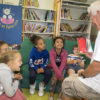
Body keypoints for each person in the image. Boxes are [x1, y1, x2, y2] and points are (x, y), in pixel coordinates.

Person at [62, 1, 100, 100]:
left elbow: (97, 66)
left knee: (67, 84)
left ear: (99, 13)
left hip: (96, 86)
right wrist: (94, 55)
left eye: (92, 16)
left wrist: (84, 74)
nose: (91, 20)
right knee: (72, 78)